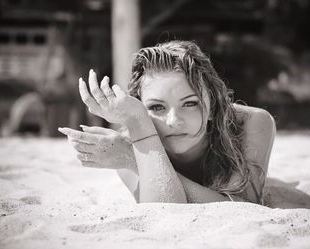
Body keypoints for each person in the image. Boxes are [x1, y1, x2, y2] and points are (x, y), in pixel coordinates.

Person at [58, 40, 276, 204]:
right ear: (140, 110)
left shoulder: (251, 122)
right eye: (156, 107)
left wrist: (132, 160)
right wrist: (134, 148)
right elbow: (164, 210)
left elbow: (244, 208)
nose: (173, 121)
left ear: (214, 104)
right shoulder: (127, 142)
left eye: (190, 103)